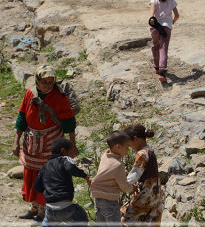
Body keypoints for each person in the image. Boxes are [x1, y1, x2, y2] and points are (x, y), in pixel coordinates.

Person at [12, 65, 78, 225]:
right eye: (44, 82)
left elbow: (69, 122)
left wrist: (72, 145)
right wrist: (16, 141)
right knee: (30, 174)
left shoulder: (59, 97)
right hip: (32, 141)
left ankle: (43, 212)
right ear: (37, 80)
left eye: (51, 82)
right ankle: (33, 207)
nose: (48, 85)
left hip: (51, 141)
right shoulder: (30, 93)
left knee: (47, 177)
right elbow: (22, 116)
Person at [33, 137, 91, 227]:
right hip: (66, 208)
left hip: (50, 209)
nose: (73, 156)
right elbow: (71, 167)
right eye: (71, 153)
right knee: (81, 215)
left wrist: (47, 191)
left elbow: (36, 186)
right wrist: (86, 177)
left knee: (48, 220)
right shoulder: (64, 159)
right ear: (63, 151)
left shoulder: (45, 166)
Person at [121, 124, 163, 226]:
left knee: (125, 218)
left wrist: (121, 180)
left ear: (135, 139)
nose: (130, 147)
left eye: (130, 145)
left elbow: (133, 177)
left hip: (146, 193)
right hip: (156, 192)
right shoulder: (150, 151)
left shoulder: (142, 154)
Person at [90, 131, 134, 227]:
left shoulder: (105, 155)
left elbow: (109, 170)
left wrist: (123, 172)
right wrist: (132, 188)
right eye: (126, 147)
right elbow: (124, 186)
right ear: (118, 146)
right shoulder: (118, 165)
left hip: (98, 199)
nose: (127, 150)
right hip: (109, 202)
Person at [149, 0, 179, 83]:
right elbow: (177, 15)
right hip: (166, 28)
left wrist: (153, 19)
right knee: (163, 48)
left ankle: (156, 66)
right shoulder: (172, 1)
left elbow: (151, 14)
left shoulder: (154, 0)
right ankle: (162, 72)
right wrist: (172, 22)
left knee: (155, 45)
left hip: (155, 27)